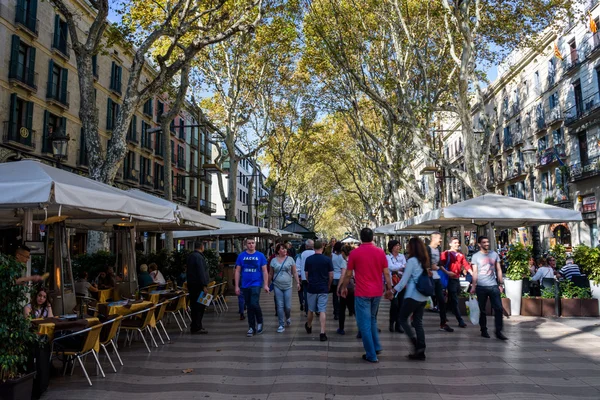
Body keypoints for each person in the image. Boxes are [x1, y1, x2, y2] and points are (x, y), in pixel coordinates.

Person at [340, 228, 392, 363]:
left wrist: (344, 287)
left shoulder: (354, 253)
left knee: (364, 324)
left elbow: (348, 274)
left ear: (361, 238)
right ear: (372, 237)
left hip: (362, 292)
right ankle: (377, 346)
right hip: (377, 292)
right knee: (373, 319)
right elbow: (386, 273)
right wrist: (389, 289)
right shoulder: (380, 252)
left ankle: (371, 354)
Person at [392, 237, 430, 360]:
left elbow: (404, 280)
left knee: (402, 319)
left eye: (408, 245)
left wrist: (393, 290)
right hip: (423, 296)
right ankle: (421, 349)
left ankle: (415, 343)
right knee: (418, 322)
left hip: (412, 295)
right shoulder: (424, 260)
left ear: (412, 247)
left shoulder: (412, 261)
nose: (407, 247)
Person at [470, 236, 507, 340]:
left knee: (499, 308)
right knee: (482, 310)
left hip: (493, 285)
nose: (487, 244)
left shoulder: (494, 254)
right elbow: (475, 272)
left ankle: (498, 331)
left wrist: (500, 283)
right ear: (479, 244)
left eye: (487, 242)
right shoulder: (475, 256)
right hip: (481, 287)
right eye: (484, 242)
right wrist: (473, 286)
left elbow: (499, 269)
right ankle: (483, 330)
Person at [235, 238, 269, 337]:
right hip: (245, 284)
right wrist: (237, 286)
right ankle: (251, 327)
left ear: (255, 244)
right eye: (249, 243)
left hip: (256, 283)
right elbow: (237, 271)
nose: (251, 245)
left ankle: (259, 321)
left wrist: (265, 284)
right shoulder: (241, 256)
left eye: (253, 243)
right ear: (245, 245)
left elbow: (264, 271)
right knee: (249, 305)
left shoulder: (260, 256)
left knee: (254, 303)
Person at [304, 240, 333, 342]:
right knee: (322, 310)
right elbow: (331, 275)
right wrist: (328, 285)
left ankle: (309, 325)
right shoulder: (327, 260)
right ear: (323, 247)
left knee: (310, 309)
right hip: (323, 288)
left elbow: (306, 274)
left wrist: (309, 281)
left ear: (313, 248)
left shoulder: (308, 259)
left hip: (312, 288)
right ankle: (322, 332)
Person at [440, 237, 471, 328]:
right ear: (450, 244)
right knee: (454, 300)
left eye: (458, 243)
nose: (457, 244)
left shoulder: (461, 255)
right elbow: (440, 264)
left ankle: (444, 316)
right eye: (455, 243)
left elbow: (466, 265)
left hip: (456, 279)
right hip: (448, 279)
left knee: (451, 299)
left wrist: (472, 273)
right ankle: (460, 320)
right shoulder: (445, 254)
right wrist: (447, 272)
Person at [269, 243, 300, 333]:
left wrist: (298, 282)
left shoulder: (290, 259)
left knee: (287, 306)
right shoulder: (273, 260)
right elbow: (270, 273)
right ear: (278, 251)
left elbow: (294, 272)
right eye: (282, 249)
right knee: (279, 305)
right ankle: (281, 324)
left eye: (285, 249)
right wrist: (267, 285)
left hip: (288, 286)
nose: (285, 250)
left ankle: (288, 316)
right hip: (277, 285)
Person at [428, 232, 453, 333]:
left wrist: (446, 272)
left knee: (442, 300)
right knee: (421, 300)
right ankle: (413, 317)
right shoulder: (427, 249)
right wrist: (431, 267)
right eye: (439, 238)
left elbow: (439, 264)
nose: (441, 240)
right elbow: (426, 263)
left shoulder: (437, 250)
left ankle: (443, 323)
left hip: (436, 278)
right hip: (429, 278)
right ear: (433, 238)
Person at [186, 242, 210, 334]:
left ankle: (196, 325)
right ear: (202, 247)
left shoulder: (191, 256)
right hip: (199, 286)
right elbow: (201, 272)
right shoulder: (199, 257)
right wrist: (204, 285)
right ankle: (197, 326)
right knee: (200, 306)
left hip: (192, 285)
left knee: (195, 306)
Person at [386, 239, 406, 333]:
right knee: (395, 304)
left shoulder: (402, 256)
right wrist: (401, 266)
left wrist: (399, 267)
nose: (398, 247)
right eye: (397, 245)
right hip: (392, 284)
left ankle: (398, 325)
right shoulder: (387, 257)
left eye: (399, 245)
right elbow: (390, 267)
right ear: (392, 247)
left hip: (401, 283)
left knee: (401, 305)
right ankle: (391, 323)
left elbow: (405, 267)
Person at [336, 244, 355, 335]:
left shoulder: (344, 262)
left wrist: (339, 287)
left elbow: (343, 275)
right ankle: (361, 329)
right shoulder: (353, 260)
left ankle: (341, 328)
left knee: (342, 308)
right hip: (353, 286)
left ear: (343, 252)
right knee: (354, 309)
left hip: (346, 287)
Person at [296, 239, 315, 317]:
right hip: (315, 278)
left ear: (306, 246)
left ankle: (307, 310)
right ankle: (316, 310)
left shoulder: (301, 255)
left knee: (306, 295)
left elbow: (298, 267)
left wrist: (299, 276)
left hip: (304, 278)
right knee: (315, 294)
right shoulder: (315, 253)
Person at [331, 242, 345, 321]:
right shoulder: (343, 257)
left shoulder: (332, 256)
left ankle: (336, 312)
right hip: (341, 277)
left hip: (334, 277)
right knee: (342, 295)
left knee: (335, 296)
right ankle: (340, 311)